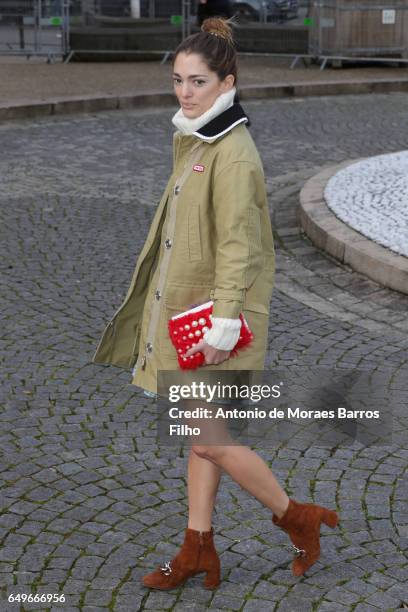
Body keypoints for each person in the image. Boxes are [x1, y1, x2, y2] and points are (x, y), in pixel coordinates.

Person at [92, 17, 339, 590]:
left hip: (216, 322)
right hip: (193, 315)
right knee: (201, 436)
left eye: (198, 81)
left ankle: (297, 519)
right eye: (178, 79)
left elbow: (240, 245)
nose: (185, 91)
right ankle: (198, 546)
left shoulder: (232, 153)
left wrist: (225, 319)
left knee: (208, 438)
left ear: (227, 84)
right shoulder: (198, 137)